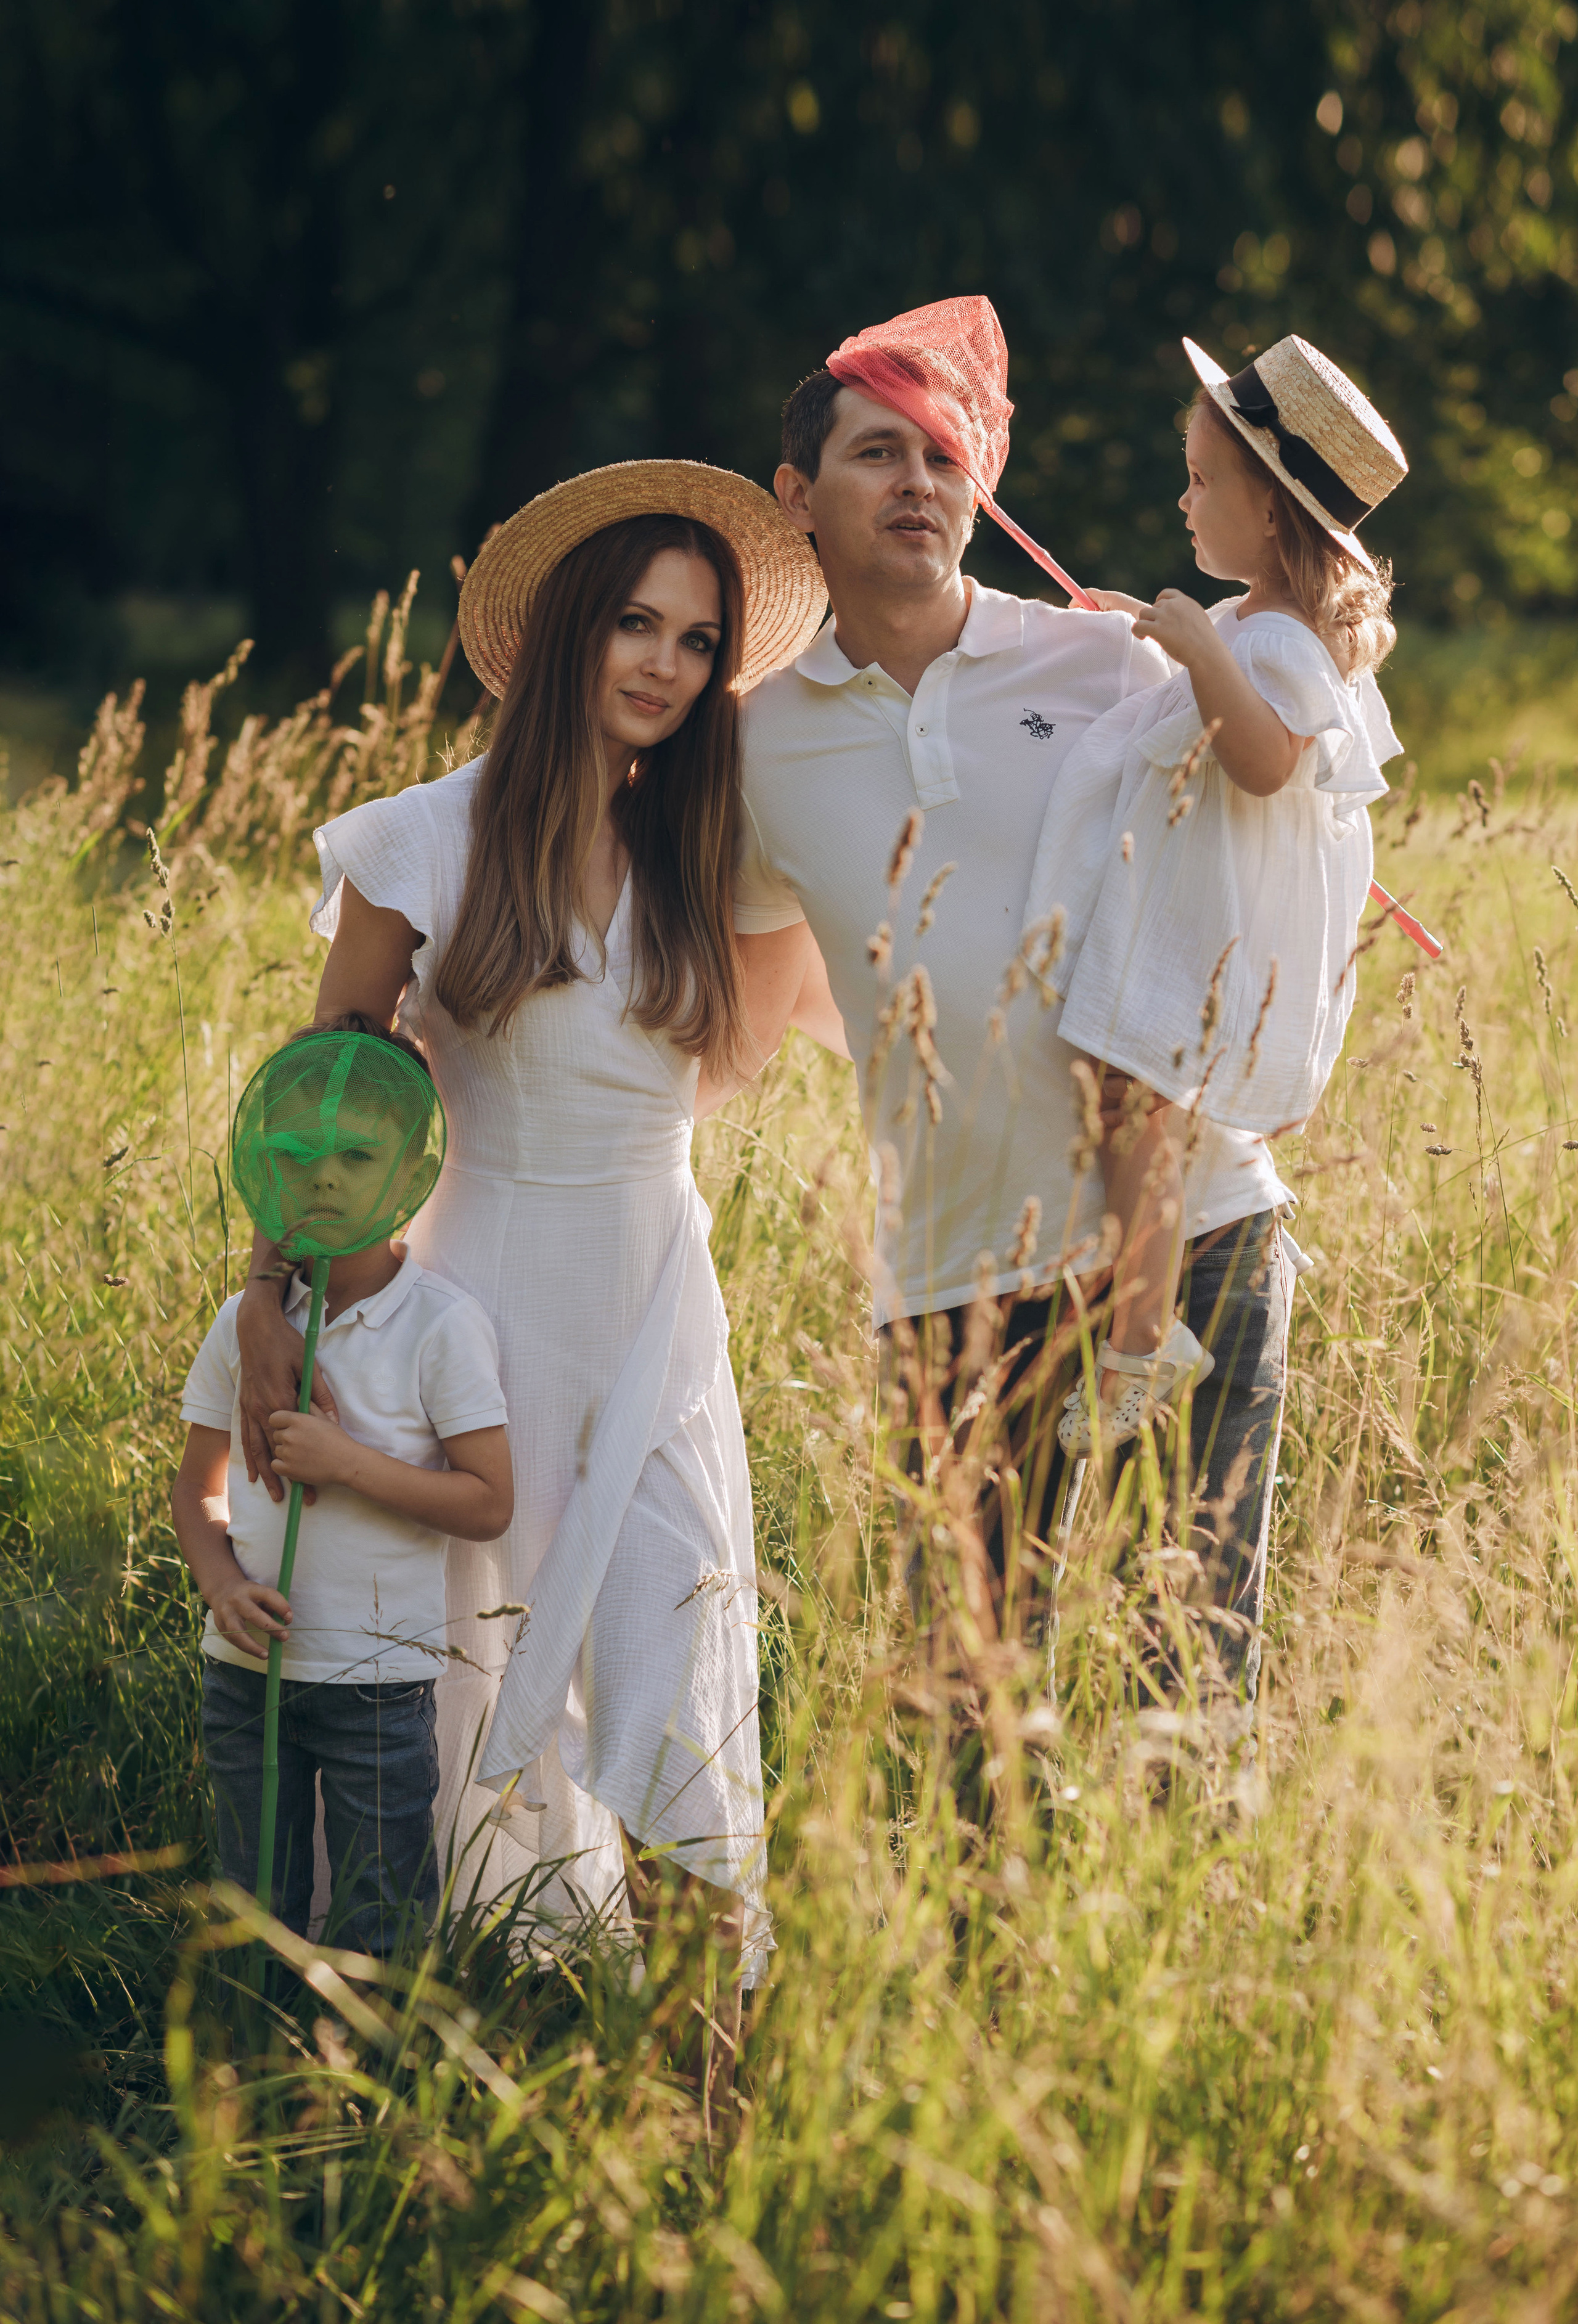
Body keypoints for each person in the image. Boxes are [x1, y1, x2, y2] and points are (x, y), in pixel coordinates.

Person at [232, 462, 826, 2123]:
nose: (665, 666)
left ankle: (707, 2101)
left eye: (698, 642)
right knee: (442, 1683)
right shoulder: (422, 839)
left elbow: (890, 838)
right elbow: (330, 1095)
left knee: (678, 1664)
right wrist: (270, 1297)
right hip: (468, 1302)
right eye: (636, 623)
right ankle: (387, 2069)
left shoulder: (713, 843)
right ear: (568, 630)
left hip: (652, 1309)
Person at [727, 297, 1298, 1702]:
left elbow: (1275, 833)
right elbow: (749, 1002)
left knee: (1189, 1693)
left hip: (1193, 1230)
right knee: (972, 1713)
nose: (918, 483)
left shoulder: (1106, 662)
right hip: (954, 1278)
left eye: (943, 454)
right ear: (797, 495)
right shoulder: (752, 743)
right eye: (877, 453)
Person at [1030, 335, 1405, 1454]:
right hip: (1196, 920)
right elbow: (1211, 672)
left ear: (1273, 512)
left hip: (1207, 932)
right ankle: (1141, 1331)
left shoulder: (1284, 641)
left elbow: (1266, 759)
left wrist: (1202, 650)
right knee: (1122, 1097)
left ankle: (1142, 1343)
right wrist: (1152, 628)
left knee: (1134, 1101)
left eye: (1202, 481)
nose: (1183, 500)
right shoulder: (1256, 621)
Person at [171, 1015, 513, 1955]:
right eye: (297, 1153)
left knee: (380, 1910)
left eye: (357, 1155)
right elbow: (195, 1489)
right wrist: (220, 1584)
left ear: (410, 1173)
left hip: (377, 1682)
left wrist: (346, 1463)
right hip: (245, 1675)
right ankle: (256, 2038)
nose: (323, 1176)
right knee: (253, 1906)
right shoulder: (245, 1328)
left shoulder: (440, 1326)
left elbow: (489, 1500)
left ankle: (371, 2049)